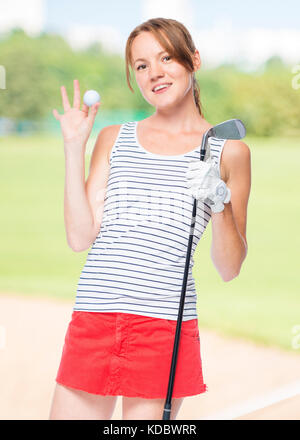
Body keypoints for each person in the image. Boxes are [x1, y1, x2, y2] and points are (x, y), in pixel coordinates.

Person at [49, 17, 251, 420]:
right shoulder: (113, 138)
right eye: (141, 65)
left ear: (193, 60)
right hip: (95, 315)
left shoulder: (229, 152)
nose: (154, 72)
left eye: (165, 57)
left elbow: (229, 268)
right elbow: (79, 236)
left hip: (162, 328)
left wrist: (221, 201)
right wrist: (75, 148)